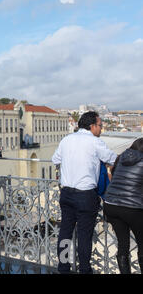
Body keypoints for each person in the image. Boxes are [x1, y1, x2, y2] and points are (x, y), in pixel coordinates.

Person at [52, 111, 117, 274]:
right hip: (85, 195)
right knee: (84, 235)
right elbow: (113, 159)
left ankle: (64, 267)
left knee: (65, 232)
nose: (101, 129)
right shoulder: (95, 142)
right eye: (100, 126)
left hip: (66, 193)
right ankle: (85, 269)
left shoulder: (66, 140)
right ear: (92, 126)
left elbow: (55, 160)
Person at [103, 138, 143, 274]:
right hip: (132, 208)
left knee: (123, 245)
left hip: (111, 205)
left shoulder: (120, 158)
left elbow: (114, 178)